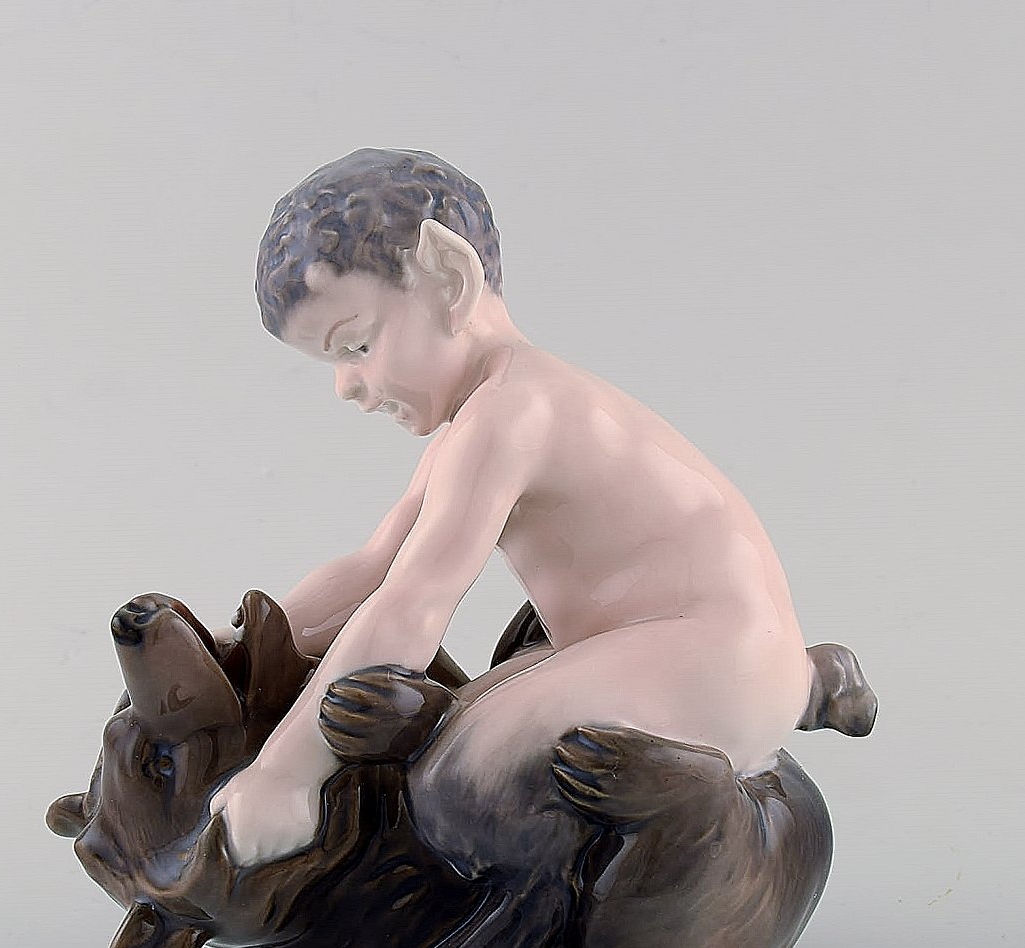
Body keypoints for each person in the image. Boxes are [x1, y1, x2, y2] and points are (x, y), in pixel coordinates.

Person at [209, 148, 812, 866]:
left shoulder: (513, 413)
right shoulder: (478, 420)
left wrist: (287, 774)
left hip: (720, 657)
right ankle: (798, 688)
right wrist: (242, 648)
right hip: (660, 644)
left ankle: (695, 797)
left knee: (463, 785)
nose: (347, 386)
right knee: (455, 734)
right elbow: (374, 568)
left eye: (358, 345)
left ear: (448, 280)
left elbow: (412, 604)